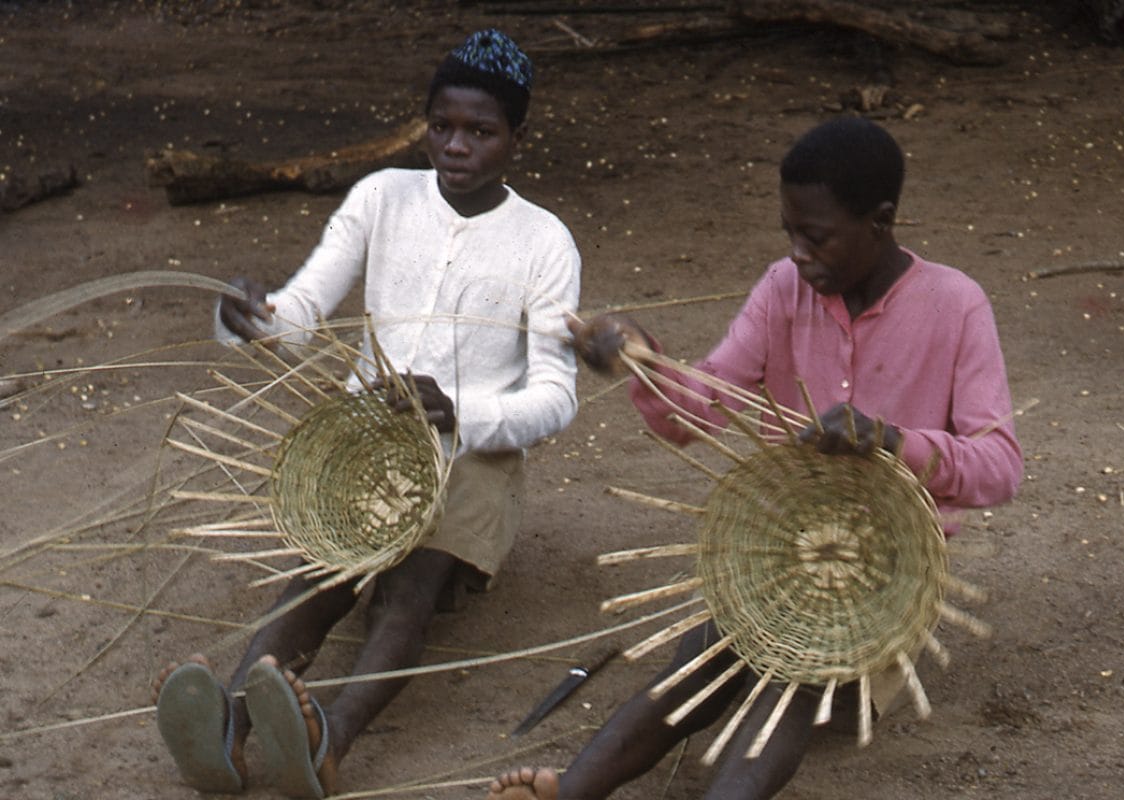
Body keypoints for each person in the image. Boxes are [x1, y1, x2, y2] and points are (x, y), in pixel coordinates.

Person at [487, 116, 1023, 800]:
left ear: (881, 221)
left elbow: (1001, 465)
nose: (798, 253)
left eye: (817, 235)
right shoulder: (782, 289)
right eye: (789, 233)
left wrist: (894, 441)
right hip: (781, 545)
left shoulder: (956, 305)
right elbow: (700, 413)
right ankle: (571, 791)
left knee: (790, 687)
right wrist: (640, 361)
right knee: (699, 665)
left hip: (892, 566)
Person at [151, 29, 581, 799]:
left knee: (410, 585)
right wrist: (251, 317)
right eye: (441, 126)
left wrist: (460, 413)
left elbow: (556, 397)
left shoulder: (544, 241)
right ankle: (233, 732)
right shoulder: (382, 196)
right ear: (424, 122)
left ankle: (328, 742)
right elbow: (303, 309)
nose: (455, 147)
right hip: (367, 440)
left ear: (518, 136)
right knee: (320, 573)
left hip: (472, 454)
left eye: (480, 132)